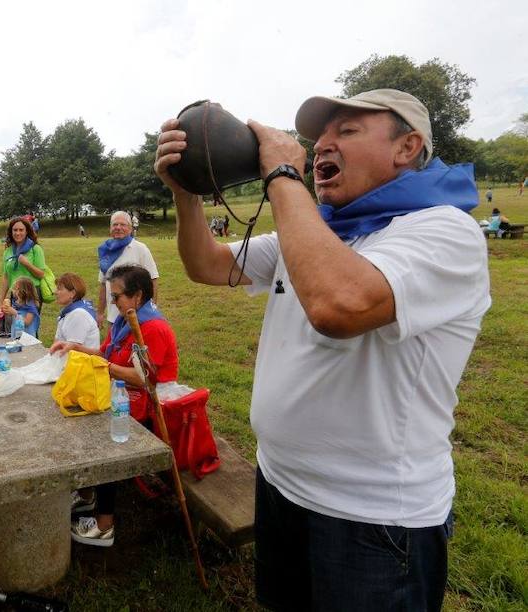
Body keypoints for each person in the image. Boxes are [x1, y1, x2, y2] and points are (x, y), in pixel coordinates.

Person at [155, 88, 490, 611]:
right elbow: (208, 264)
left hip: (373, 518)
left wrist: (283, 176)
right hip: (281, 486)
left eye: (347, 131)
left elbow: (339, 305)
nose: (321, 146)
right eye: (320, 136)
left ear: (407, 147)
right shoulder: (317, 231)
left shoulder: (446, 231)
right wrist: (186, 190)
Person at [51, 265, 178, 547]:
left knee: (106, 440)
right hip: (124, 398)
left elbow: (145, 378)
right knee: (79, 421)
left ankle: (105, 524)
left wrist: (105, 367)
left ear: (138, 296)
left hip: (152, 411)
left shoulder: (152, 328)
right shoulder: (123, 321)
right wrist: (74, 348)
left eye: (117, 296)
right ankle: (87, 494)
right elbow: (105, 353)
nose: (112, 302)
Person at [97, 211, 159, 327]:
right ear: (110, 228)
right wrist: (100, 312)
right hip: (113, 318)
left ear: (130, 229)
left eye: (123, 225)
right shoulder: (106, 252)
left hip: (137, 316)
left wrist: (153, 308)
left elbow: (153, 279)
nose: (118, 228)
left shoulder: (140, 249)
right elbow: (103, 285)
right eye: (115, 225)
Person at [0, 217, 46, 313]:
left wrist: (27, 264)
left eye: (21, 230)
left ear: (27, 231)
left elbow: (41, 274)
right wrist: (1, 301)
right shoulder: (8, 251)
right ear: (11, 232)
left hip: (31, 295)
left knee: (28, 326)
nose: (17, 233)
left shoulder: (35, 249)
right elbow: (6, 277)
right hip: (15, 294)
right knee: (14, 326)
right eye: (15, 230)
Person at [53, 273, 99, 349]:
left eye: (59, 289)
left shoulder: (79, 315)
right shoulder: (70, 311)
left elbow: (72, 350)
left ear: (73, 293)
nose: (55, 292)